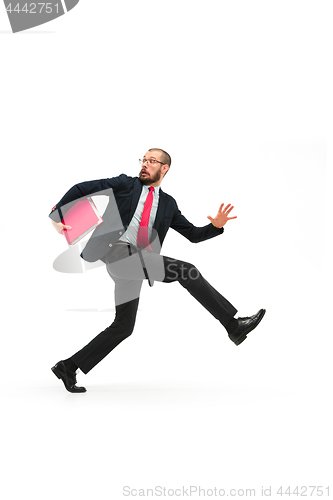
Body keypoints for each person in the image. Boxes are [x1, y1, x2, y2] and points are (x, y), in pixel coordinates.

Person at [50, 148, 266, 393]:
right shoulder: (124, 184)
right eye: (143, 160)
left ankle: (69, 366)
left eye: (152, 161)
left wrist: (214, 226)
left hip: (138, 262)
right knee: (187, 271)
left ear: (165, 168)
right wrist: (58, 215)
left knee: (123, 327)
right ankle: (232, 325)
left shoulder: (168, 204)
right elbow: (82, 188)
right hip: (118, 255)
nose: (145, 164)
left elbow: (193, 235)